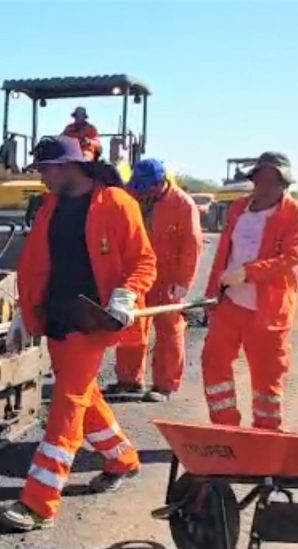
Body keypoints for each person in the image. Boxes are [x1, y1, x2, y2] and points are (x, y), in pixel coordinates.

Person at [0, 136, 157, 531]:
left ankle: (38, 503)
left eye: (46, 170)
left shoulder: (117, 204)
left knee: (67, 403)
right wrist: (24, 311)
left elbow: (144, 261)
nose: (42, 178)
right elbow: (35, 265)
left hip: (91, 321)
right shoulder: (52, 207)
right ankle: (122, 459)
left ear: (69, 167)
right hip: (56, 318)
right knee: (84, 395)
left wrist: (126, 294)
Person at [201, 152, 298, 430]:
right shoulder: (239, 209)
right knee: (213, 362)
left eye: (273, 180)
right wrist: (212, 293)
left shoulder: (295, 214)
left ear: (285, 184)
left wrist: (249, 272)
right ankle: (226, 428)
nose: (266, 185)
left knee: (267, 377)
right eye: (261, 178)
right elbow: (223, 255)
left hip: (269, 312)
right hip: (231, 304)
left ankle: (266, 433)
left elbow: (290, 260)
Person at [108, 159, 203, 402]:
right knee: (131, 325)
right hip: (139, 272)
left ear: (161, 183)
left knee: (169, 329)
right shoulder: (132, 195)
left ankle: (165, 385)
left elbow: (192, 246)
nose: (143, 192)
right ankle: (129, 381)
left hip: (168, 277)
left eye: (147, 187)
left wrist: (183, 281)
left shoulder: (182, 204)